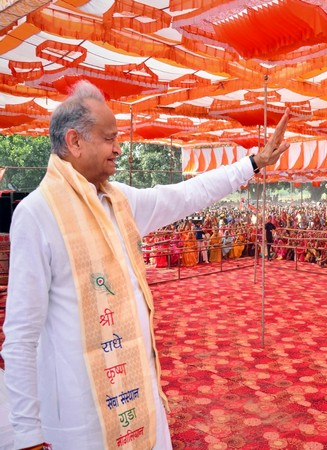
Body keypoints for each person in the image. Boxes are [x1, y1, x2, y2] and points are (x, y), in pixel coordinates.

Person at [1, 80, 290, 450]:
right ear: (74, 141)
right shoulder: (37, 215)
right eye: (109, 138)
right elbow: (21, 335)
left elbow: (187, 195)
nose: (119, 148)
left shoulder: (119, 201)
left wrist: (252, 164)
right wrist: (27, 434)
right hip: (79, 415)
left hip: (137, 393)